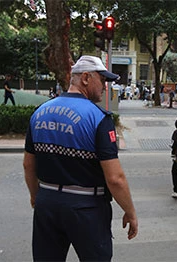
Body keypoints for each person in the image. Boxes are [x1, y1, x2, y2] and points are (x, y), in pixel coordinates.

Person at [22, 55, 137, 260]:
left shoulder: (40, 112)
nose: (104, 87)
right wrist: (130, 211)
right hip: (86, 208)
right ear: (85, 78)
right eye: (102, 80)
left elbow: (28, 165)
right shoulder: (98, 118)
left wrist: (36, 196)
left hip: (47, 203)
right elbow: (115, 178)